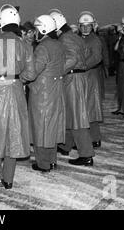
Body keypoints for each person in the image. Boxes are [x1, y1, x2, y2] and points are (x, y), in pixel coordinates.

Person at [0, 4, 32, 188]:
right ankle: (8, 179)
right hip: (15, 89)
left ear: (1, 23)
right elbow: (31, 73)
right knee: (13, 132)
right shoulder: (24, 45)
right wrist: (19, 79)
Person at [51, 11, 95, 166]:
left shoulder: (65, 39)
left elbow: (72, 58)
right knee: (71, 114)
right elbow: (87, 53)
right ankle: (65, 145)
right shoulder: (74, 36)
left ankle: (86, 154)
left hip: (72, 79)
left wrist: (57, 70)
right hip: (78, 77)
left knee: (77, 117)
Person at [22, 14, 66, 171]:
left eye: (36, 29)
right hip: (56, 90)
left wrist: (20, 78)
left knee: (40, 127)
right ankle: (52, 160)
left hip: (42, 93)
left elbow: (32, 72)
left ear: (43, 29)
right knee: (52, 126)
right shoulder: (58, 44)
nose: (34, 33)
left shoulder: (42, 48)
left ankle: (42, 163)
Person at [78, 11, 103, 148]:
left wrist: (82, 66)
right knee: (86, 108)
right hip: (83, 76)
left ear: (93, 26)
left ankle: (94, 137)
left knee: (90, 108)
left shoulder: (94, 40)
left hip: (89, 76)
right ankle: (93, 137)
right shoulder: (80, 39)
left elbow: (96, 57)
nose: (85, 28)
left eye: (88, 26)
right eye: (83, 26)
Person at [112, 24, 124, 115]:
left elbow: (117, 48)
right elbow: (115, 48)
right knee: (120, 87)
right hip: (121, 64)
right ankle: (121, 107)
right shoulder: (121, 39)